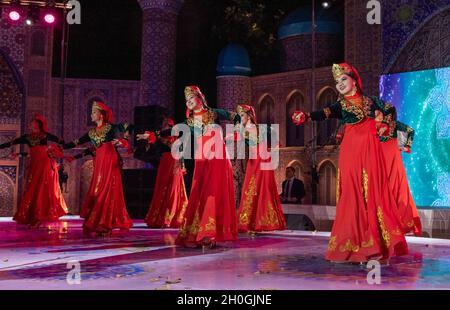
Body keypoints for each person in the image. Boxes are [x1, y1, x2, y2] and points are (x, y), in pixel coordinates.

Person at [292, 63, 408, 263]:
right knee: (353, 192)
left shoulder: (370, 102)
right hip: (351, 151)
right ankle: (353, 245)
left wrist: (383, 125)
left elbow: (390, 109)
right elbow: (324, 113)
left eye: (343, 79)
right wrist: (306, 116)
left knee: (372, 192)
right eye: (337, 82)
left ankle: (377, 245)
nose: (340, 84)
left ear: (354, 79)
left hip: (371, 150)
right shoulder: (341, 105)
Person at [158, 86, 238, 248]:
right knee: (201, 191)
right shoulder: (190, 121)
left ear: (199, 98)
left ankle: (211, 233)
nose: (188, 102)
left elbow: (235, 116)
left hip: (217, 158)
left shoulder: (213, 113)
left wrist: (235, 132)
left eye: (191, 98)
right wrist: (154, 134)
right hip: (202, 158)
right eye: (186, 100)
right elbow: (173, 129)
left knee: (213, 191)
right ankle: (199, 231)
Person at [63, 101, 133, 236]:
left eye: (93, 112)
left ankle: (106, 224)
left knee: (108, 190)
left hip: (111, 161)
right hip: (100, 163)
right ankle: (98, 221)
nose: (91, 115)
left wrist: (123, 140)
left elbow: (127, 125)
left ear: (101, 115)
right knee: (97, 191)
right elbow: (76, 142)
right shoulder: (91, 133)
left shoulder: (111, 128)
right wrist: (61, 147)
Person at [0, 114, 67, 227]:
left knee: (41, 187)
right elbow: (12, 142)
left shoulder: (45, 135)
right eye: (30, 122)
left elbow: (61, 141)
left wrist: (53, 151)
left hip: (45, 164)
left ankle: (39, 216)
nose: (30, 124)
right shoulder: (27, 137)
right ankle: (32, 216)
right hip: (34, 165)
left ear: (38, 124)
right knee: (32, 188)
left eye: (32, 122)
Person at [234, 104, 286, 233]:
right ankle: (250, 221)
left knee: (264, 188)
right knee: (251, 188)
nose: (241, 119)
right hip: (253, 160)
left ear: (249, 115)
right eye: (240, 116)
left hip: (263, 158)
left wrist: (275, 143)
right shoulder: (242, 129)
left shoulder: (259, 128)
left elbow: (272, 132)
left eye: (242, 115)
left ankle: (262, 221)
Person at [374, 110, 422, 236]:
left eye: (379, 112)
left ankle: (401, 223)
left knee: (396, 189)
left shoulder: (393, 124)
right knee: (380, 190)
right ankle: (383, 223)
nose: (377, 114)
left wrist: (406, 146)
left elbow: (410, 130)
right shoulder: (372, 124)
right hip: (378, 159)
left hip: (392, 159)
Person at [136, 117, 188, 228]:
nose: (165, 125)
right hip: (164, 162)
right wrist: (149, 138)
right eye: (164, 123)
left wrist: (183, 165)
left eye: (167, 124)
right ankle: (159, 217)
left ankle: (171, 217)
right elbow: (155, 147)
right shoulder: (159, 136)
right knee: (161, 187)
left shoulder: (175, 135)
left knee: (173, 189)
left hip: (174, 162)